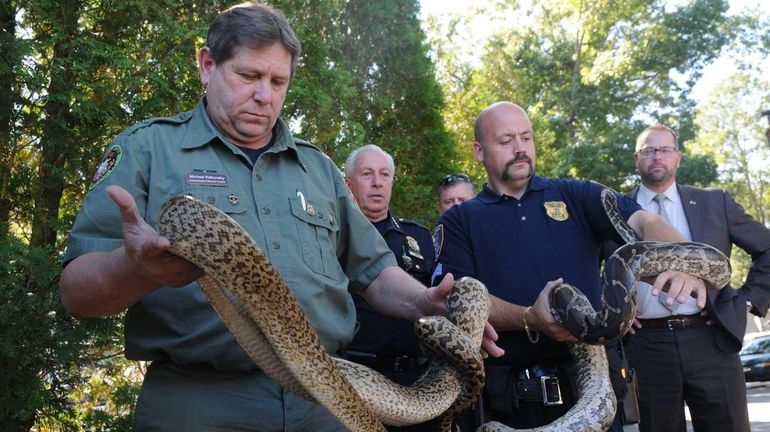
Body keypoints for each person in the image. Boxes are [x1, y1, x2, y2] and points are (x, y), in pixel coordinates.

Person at [58, 4, 501, 431]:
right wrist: (134, 270)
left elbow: (374, 271)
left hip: (332, 399)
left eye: (278, 80)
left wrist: (425, 303)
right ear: (208, 65)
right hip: (201, 403)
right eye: (248, 75)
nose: (264, 95)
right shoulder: (149, 150)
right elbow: (76, 294)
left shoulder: (318, 168)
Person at [432, 101, 706, 429]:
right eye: (505, 141)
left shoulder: (576, 193)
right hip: (512, 405)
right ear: (479, 151)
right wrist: (528, 317)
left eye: (526, 138)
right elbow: (459, 300)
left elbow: (644, 220)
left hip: (594, 395)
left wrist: (677, 255)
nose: (520, 149)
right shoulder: (459, 220)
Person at [617, 123, 770, 432]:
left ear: (678, 158)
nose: (657, 157)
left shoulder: (716, 203)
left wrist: (748, 301)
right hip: (647, 345)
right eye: (648, 150)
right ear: (636, 159)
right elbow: (588, 267)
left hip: (711, 337)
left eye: (664, 150)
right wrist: (615, 311)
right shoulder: (615, 209)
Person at [343, 144, 437, 432]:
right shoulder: (332, 236)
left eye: (384, 174)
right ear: (348, 184)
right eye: (367, 174)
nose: (377, 182)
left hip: (418, 381)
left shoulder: (418, 237)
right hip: (357, 381)